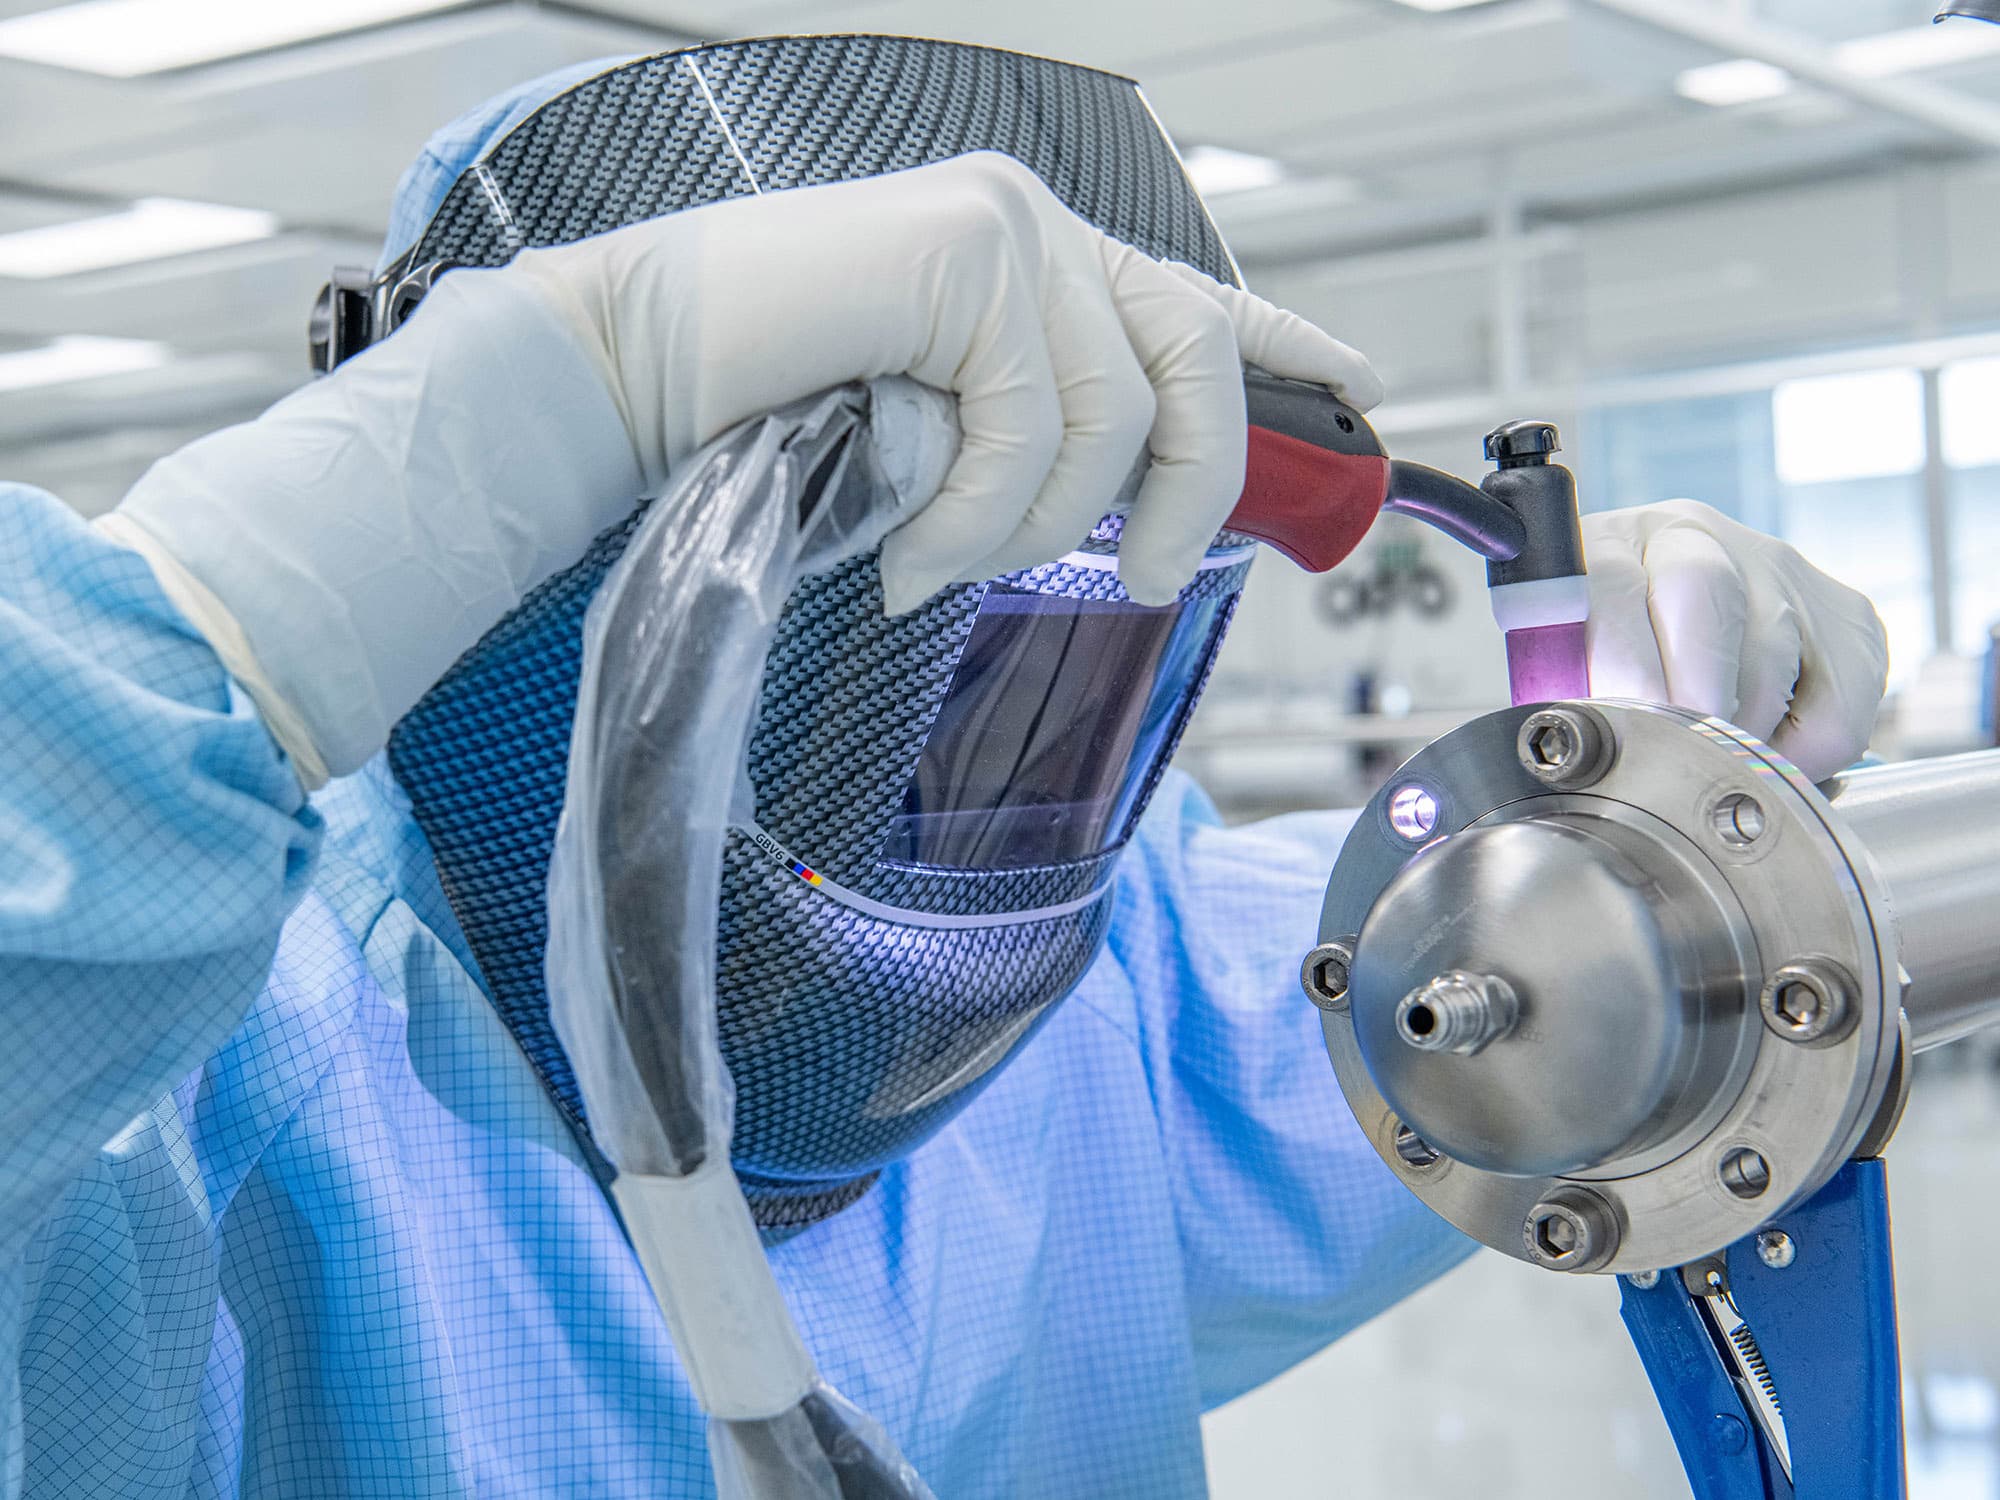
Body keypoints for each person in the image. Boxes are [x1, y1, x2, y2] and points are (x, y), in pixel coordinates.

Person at [1, 48, 1892, 1500]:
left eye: (1065, 656)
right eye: (847, 649)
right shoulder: (185, 1092)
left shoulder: (1119, 993)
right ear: (539, 563)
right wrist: (244, 600)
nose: (956, 782)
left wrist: (1678, 791)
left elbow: (1572, 973)